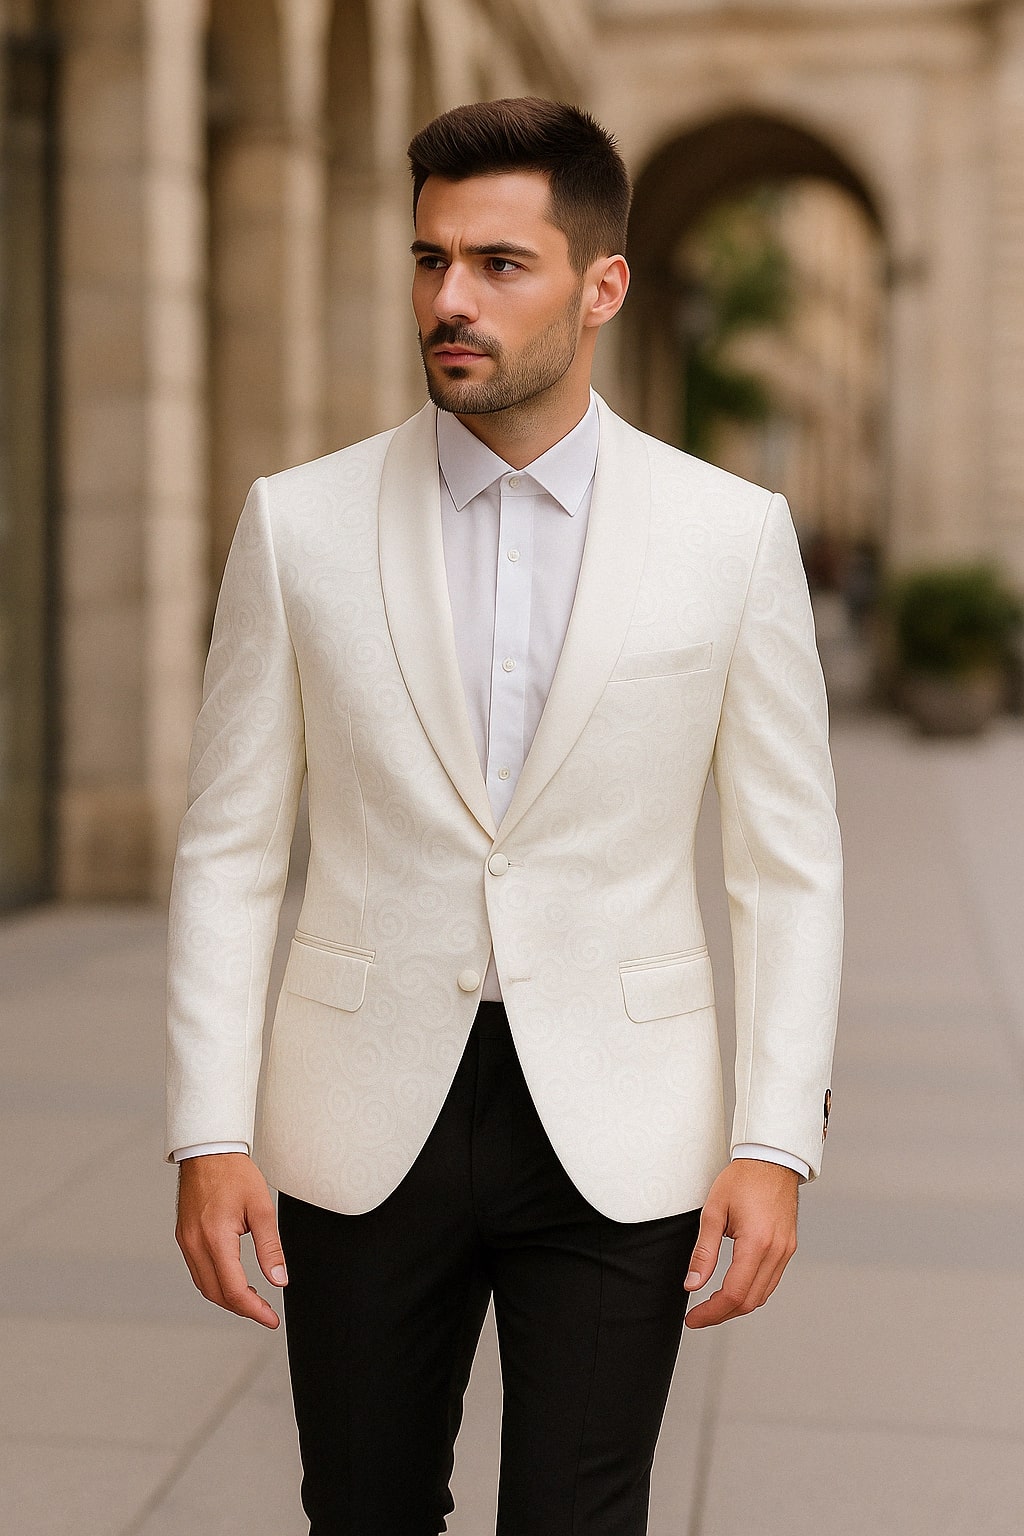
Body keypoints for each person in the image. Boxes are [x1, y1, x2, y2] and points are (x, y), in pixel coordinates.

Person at [167, 97, 843, 1535]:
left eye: (497, 263)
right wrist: (205, 1127)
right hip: (357, 1119)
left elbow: (787, 867)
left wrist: (776, 1140)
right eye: (429, 260)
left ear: (603, 286)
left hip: (625, 1124)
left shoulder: (733, 537)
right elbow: (229, 849)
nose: (449, 300)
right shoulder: (298, 525)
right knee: (359, 1510)